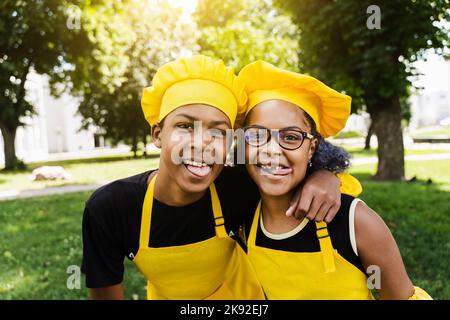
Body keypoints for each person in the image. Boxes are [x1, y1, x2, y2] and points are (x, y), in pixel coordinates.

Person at [81, 55, 362, 300]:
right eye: (184, 126)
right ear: (157, 134)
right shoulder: (112, 208)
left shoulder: (239, 186)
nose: (202, 143)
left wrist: (325, 175)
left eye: (218, 131)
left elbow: (289, 168)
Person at [238, 60, 433, 300]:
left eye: (290, 137)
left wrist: (329, 174)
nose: (272, 150)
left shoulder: (356, 222)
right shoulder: (241, 215)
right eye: (256, 135)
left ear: (312, 148)